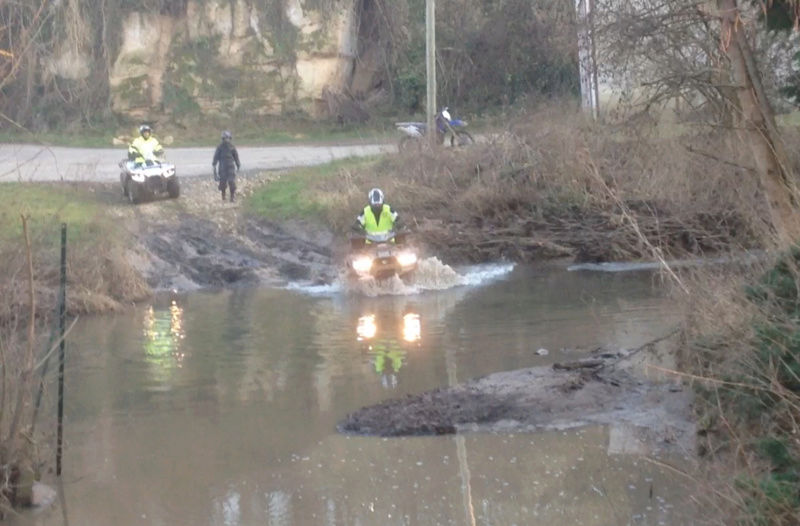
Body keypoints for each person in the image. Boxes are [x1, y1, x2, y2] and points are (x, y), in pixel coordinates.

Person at [212, 130, 241, 202]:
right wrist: (214, 165)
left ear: (230, 139)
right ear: (222, 139)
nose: (226, 140)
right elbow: (216, 157)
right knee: (223, 183)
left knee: (231, 182)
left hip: (231, 167)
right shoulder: (220, 147)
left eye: (227, 138)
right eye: (225, 138)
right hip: (222, 167)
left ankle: (232, 197)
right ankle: (223, 196)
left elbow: (236, 156)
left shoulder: (232, 147)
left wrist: (238, 164)